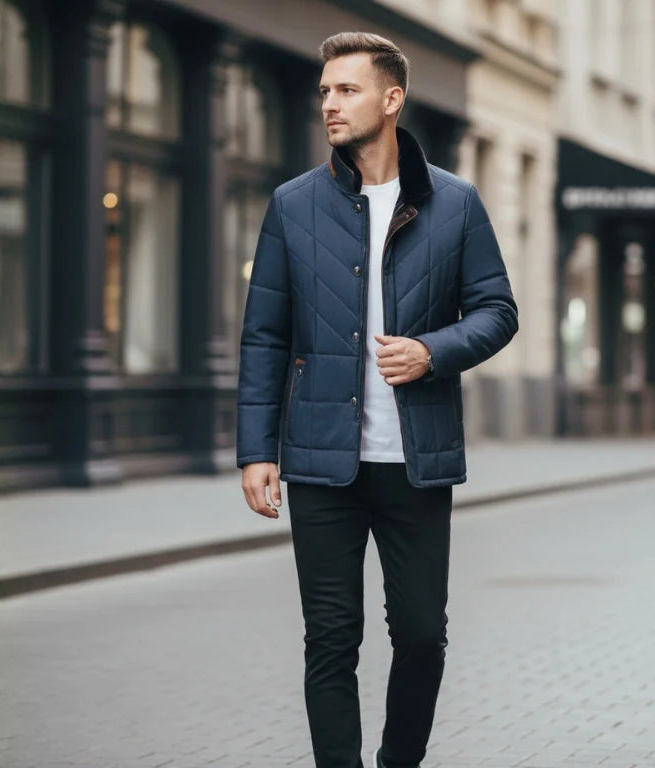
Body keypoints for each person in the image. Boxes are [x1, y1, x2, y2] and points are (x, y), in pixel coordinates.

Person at [236, 32, 517, 768]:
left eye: (347, 90)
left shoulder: (454, 204)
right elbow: (263, 335)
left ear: (392, 100)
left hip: (414, 459)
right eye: (325, 90)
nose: (329, 102)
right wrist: (256, 452)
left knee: (422, 633)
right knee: (330, 638)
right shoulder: (293, 206)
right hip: (321, 462)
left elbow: (497, 311)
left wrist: (432, 351)